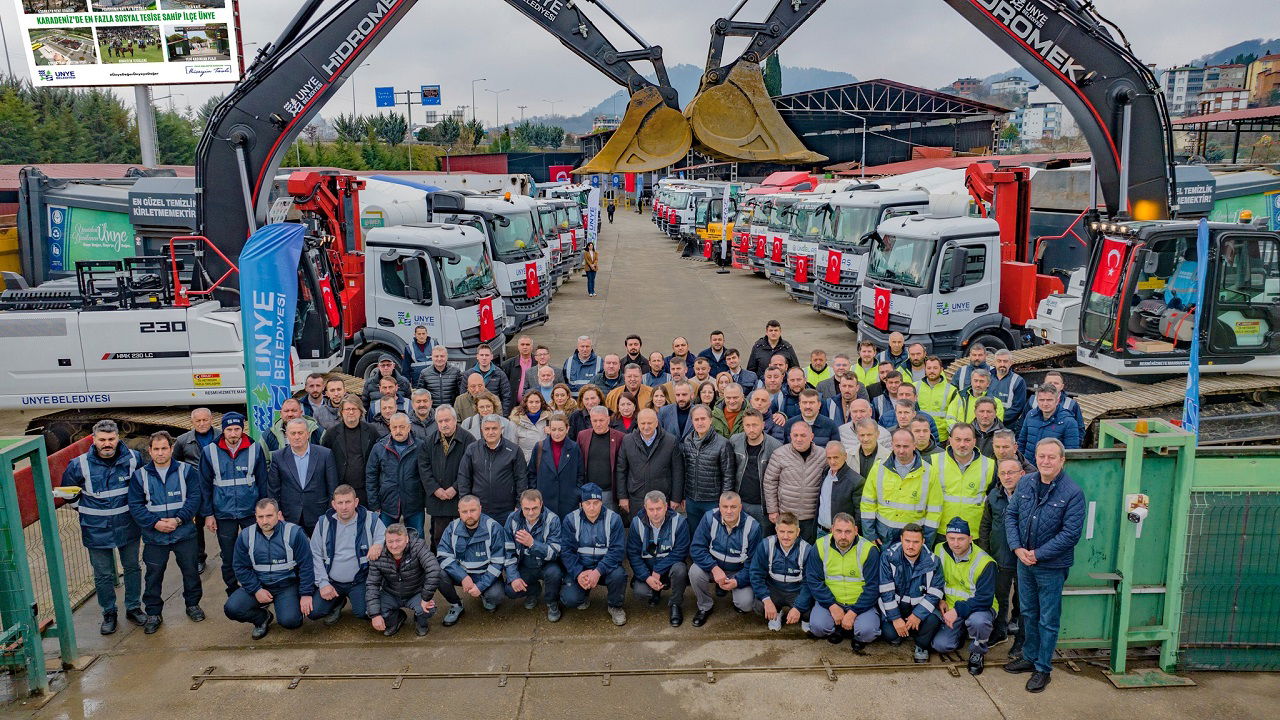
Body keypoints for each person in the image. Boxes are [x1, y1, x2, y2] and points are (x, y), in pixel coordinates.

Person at [1003, 438, 1085, 693]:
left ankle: (1043, 668)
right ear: (1035, 458)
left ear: (1062, 460)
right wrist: (1017, 548)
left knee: (1048, 619)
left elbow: (1070, 534)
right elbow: (1011, 515)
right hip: (1024, 562)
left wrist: (1037, 554)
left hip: (1050, 567)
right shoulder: (1026, 482)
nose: (1046, 461)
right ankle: (1029, 657)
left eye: (1051, 457)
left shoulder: (1072, 493)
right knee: (1028, 612)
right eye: (1041, 457)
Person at [61, 420, 147, 635]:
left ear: (118, 438)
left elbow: (143, 487)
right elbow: (67, 493)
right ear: (94, 439)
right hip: (96, 529)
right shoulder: (78, 464)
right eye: (102, 440)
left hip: (128, 526)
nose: (107, 443)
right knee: (103, 574)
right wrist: (85, 510)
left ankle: (133, 607)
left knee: (132, 568)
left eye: (111, 439)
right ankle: (109, 612)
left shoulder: (134, 459)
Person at [128, 431, 203, 633]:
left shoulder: (186, 471)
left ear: (171, 449)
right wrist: (155, 523)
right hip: (155, 537)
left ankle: (193, 605)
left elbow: (194, 498)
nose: (161, 453)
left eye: (164, 448)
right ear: (150, 451)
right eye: (156, 449)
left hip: (184, 533)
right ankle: (153, 613)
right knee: (153, 576)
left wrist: (179, 519)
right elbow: (136, 506)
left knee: (190, 571)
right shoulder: (140, 476)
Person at [199, 412, 269, 597]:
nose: (233, 433)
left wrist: (264, 511)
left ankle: (259, 588)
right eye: (229, 429)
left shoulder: (255, 448)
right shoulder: (210, 451)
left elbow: (263, 482)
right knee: (228, 556)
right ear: (222, 430)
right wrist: (208, 514)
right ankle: (233, 590)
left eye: (237, 429)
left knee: (255, 552)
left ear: (242, 428)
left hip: (250, 512)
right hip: (224, 514)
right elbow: (204, 486)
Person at [224, 498, 314, 639]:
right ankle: (262, 618)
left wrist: (306, 593)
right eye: (260, 517)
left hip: (286, 586)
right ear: (256, 517)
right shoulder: (246, 536)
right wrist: (256, 589)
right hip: (259, 584)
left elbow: (307, 566)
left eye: (269, 516)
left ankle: (287, 607)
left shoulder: (294, 533)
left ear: (278, 515)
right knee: (232, 608)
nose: (265, 521)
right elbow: (240, 567)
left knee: (291, 621)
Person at [308, 484, 386, 625]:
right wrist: (323, 583)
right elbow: (315, 554)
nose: (344, 507)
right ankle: (338, 601)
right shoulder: (323, 522)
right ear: (334, 504)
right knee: (314, 612)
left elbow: (385, 536)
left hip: (359, 580)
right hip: (332, 582)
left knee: (364, 613)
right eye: (340, 503)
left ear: (356, 502)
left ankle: (352, 598)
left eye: (348, 502)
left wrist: (379, 544)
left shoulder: (370, 519)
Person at [932, 517, 997, 675]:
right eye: (951, 538)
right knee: (940, 646)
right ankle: (961, 632)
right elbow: (935, 579)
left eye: (961, 539)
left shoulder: (985, 562)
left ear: (970, 538)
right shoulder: (939, 549)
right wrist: (940, 598)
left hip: (979, 608)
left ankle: (978, 651)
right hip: (950, 607)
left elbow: (984, 599)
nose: (955, 543)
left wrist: (957, 611)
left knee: (978, 621)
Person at [809, 512, 881, 651]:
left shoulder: (869, 550)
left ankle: (855, 634)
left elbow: (873, 587)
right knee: (817, 628)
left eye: (848, 531)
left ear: (856, 530)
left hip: (860, 604)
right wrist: (832, 605)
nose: (843, 536)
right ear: (831, 530)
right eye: (839, 531)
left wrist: (853, 612)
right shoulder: (819, 546)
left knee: (868, 632)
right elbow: (814, 581)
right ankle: (838, 627)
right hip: (831, 602)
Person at [559, 483, 628, 625]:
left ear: (601, 502)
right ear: (581, 504)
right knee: (570, 599)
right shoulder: (571, 520)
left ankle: (615, 606)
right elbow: (567, 551)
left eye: (596, 503)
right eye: (587, 503)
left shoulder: (614, 519)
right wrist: (578, 573)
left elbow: (617, 551)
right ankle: (583, 594)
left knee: (619, 575)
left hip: (605, 570)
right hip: (582, 569)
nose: (592, 507)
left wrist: (598, 571)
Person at [860, 428, 943, 547]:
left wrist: (927, 542)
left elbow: (934, 511)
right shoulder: (878, 468)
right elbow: (868, 503)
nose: (901, 450)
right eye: (897, 446)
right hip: (883, 537)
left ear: (914, 446)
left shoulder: (929, 472)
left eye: (906, 446)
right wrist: (870, 535)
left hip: (913, 539)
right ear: (892, 445)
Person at [689, 491, 762, 625]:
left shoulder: (753, 527)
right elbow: (696, 548)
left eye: (733, 507)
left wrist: (737, 581)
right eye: (725, 507)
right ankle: (705, 606)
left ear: (740, 507)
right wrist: (714, 568)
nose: (729, 511)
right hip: (713, 568)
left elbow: (754, 564)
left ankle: (736, 597)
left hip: (737, 572)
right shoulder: (709, 518)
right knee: (694, 571)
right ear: (719, 506)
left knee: (745, 604)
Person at [436, 495, 507, 624]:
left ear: (480, 509)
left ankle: (484, 595)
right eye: (464, 511)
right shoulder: (452, 527)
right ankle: (456, 605)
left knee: (496, 596)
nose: (469, 515)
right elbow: (442, 555)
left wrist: (481, 586)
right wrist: (462, 576)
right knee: (438, 574)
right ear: (459, 512)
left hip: (485, 574)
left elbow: (498, 563)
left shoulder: (494, 528)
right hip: (462, 575)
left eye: (473, 510)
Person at [879, 522, 944, 662]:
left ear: (923, 542)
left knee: (933, 620)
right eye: (907, 541)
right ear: (901, 539)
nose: (911, 546)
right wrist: (896, 619)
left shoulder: (933, 561)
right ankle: (905, 631)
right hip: (898, 607)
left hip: (919, 608)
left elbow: (936, 591)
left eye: (916, 542)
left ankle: (921, 645)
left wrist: (917, 615)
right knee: (890, 634)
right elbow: (886, 590)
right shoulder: (888, 557)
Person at [980, 457, 1026, 656]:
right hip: (1001, 555)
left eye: (1011, 473)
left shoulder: (1029, 495)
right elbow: (986, 524)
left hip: (1025, 556)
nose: (1007, 477)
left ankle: (1023, 640)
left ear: (1021, 474)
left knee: (1024, 599)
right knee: (1000, 596)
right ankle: (999, 631)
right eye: (1003, 473)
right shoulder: (994, 496)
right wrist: (985, 551)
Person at [627, 490, 691, 626]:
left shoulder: (679, 522)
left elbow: (681, 552)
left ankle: (675, 604)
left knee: (680, 569)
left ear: (666, 507)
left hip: (669, 568)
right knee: (640, 591)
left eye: (659, 508)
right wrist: (646, 576)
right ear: (645, 508)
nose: (655, 513)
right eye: (651, 509)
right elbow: (633, 554)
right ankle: (654, 592)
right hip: (648, 569)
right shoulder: (636, 523)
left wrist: (658, 570)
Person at [749, 512, 822, 632]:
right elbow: (756, 574)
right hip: (774, 588)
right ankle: (776, 613)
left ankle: (805, 619)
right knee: (759, 606)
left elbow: (809, 582)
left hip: (796, 590)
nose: (786, 536)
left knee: (810, 610)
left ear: (798, 532)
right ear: (776, 530)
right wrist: (766, 600)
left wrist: (798, 607)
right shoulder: (766, 545)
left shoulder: (807, 550)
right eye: (782, 531)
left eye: (790, 532)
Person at [365, 522, 440, 637]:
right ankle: (397, 618)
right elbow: (372, 584)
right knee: (371, 611)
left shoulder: (418, 547)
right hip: (391, 593)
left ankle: (421, 622)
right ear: (385, 540)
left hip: (415, 592)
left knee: (428, 609)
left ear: (407, 539)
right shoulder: (378, 555)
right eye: (390, 541)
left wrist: (426, 597)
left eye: (398, 540)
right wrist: (375, 615)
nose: (394, 546)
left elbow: (434, 569)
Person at [267, 418, 339, 535]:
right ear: (287, 435)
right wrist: (277, 512)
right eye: (293, 433)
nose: (296, 437)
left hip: (319, 513)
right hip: (289, 515)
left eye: (300, 433)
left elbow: (333, 488)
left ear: (308, 434)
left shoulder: (325, 454)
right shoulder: (278, 457)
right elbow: (273, 490)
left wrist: (330, 512)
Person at [419, 405, 475, 551]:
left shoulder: (468, 439)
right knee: (439, 536)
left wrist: (455, 488)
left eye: (447, 420)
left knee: (462, 536)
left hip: (460, 496)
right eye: (440, 421)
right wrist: (435, 489)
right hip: (439, 498)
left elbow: (471, 468)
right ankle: (439, 567)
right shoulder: (428, 441)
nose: (444, 424)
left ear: (455, 420)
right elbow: (424, 469)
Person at [503, 489, 564, 621]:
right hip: (525, 564)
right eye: (526, 509)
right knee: (510, 590)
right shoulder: (512, 519)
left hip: (546, 564)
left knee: (555, 574)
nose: (531, 513)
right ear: (520, 506)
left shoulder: (552, 519)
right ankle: (533, 591)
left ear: (541, 504)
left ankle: (552, 602)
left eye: (535, 508)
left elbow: (555, 552)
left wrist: (532, 544)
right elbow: (508, 552)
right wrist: (513, 577)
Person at [615, 408, 684, 520]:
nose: (646, 427)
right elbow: (621, 470)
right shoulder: (627, 441)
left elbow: (678, 471)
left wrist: (676, 498)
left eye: (650, 423)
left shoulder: (670, 441)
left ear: (657, 423)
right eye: (643, 423)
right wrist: (622, 497)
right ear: (637, 423)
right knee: (639, 532)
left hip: (661, 498)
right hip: (636, 498)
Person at [763, 422, 826, 543]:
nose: (799, 439)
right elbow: (770, 482)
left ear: (811, 436)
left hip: (811, 517)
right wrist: (772, 510)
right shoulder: (780, 454)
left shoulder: (822, 455)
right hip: (786, 515)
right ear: (790, 436)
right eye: (795, 435)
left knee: (807, 552)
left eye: (803, 435)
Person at [365, 413, 426, 538]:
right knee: (385, 539)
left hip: (414, 503)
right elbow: (371, 477)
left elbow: (426, 475)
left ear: (409, 427)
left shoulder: (420, 446)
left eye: (402, 427)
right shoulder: (379, 448)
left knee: (417, 539)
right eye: (395, 427)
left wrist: (424, 500)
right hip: (387, 503)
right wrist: (374, 504)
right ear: (390, 428)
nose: (398, 431)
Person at [457, 414, 529, 519]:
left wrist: (519, 505)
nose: (490, 432)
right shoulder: (472, 449)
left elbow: (521, 479)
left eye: (494, 428)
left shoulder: (514, 450)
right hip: (479, 510)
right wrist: (466, 502)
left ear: (501, 429)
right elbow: (464, 477)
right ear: (482, 430)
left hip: (507, 510)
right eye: (487, 429)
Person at [682, 404, 736, 530]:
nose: (700, 422)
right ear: (692, 421)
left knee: (713, 535)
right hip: (692, 500)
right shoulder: (687, 441)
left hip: (713, 501)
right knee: (694, 535)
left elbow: (728, 475)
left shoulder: (723, 444)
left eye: (703, 419)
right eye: (696, 419)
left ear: (710, 420)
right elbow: (685, 470)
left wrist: (724, 502)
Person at [935, 423, 993, 540]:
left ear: (974, 441)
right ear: (950, 440)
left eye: (967, 440)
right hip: (942, 531)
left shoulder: (990, 465)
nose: (962, 444)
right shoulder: (934, 461)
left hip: (974, 534)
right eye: (958, 440)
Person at [527, 412, 584, 519]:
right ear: (548, 429)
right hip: (544, 501)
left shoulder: (574, 448)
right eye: (553, 429)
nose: (557, 433)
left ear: (567, 429)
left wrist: (577, 494)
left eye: (561, 429)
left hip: (568, 502)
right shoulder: (539, 447)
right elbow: (531, 473)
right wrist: (536, 494)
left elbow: (580, 474)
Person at [577, 404, 624, 513]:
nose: (598, 424)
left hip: (609, 492)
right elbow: (578, 465)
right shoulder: (582, 436)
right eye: (595, 421)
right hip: (588, 491)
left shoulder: (620, 437)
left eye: (601, 420)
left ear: (608, 419)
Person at [1017, 385, 1081, 459]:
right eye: (1041, 400)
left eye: (1049, 400)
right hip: (1030, 467)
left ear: (1057, 401)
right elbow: (1021, 442)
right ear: (1037, 400)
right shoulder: (1030, 415)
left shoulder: (1068, 422)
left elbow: (1070, 453)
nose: (1045, 404)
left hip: (1051, 468)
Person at [816, 442, 863, 535]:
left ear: (845, 456)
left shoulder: (856, 481)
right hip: (820, 531)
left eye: (836, 457)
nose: (832, 461)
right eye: (829, 458)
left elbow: (859, 512)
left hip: (842, 534)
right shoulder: (825, 473)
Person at [915, 357, 958, 443]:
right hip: (918, 436)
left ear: (941, 369)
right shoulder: (915, 387)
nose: (932, 371)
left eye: (935, 368)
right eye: (929, 368)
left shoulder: (951, 390)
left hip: (941, 438)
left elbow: (953, 416)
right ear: (925, 369)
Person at [463, 345, 512, 414]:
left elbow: (506, 397)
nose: (484, 358)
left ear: (491, 356)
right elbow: (463, 396)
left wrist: (503, 416)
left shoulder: (500, 374)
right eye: (481, 355)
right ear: (477, 356)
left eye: (487, 355)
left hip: (493, 414)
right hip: (473, 414)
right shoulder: (468, 374)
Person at [989, 349, 1028, 432]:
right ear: (994, 362)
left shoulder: (1018, 381)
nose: (1002, 364)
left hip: (1006, 427)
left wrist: (995, 421)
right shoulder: (987, 377)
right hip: (985, 424)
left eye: (1005, 361)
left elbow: (1017, 408)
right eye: (999, 361)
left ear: (1010, 363)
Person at [509, 391, 550, 461]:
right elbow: (512, 446)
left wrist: (552, 433)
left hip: (545, 461)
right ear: (526, 403)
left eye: (537, 402)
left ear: (541, 403)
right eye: (531, 402)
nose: (534, 405)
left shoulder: (549, 419)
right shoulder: (516, 421)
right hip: (524, 462)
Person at [502, 335, 536, 405]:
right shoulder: (508, 364)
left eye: (527, 344)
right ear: (518, 346)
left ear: (532, 347)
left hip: (534, 405)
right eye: (522, 344)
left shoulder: (538, 363)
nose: (525, 347)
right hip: (514, 405)